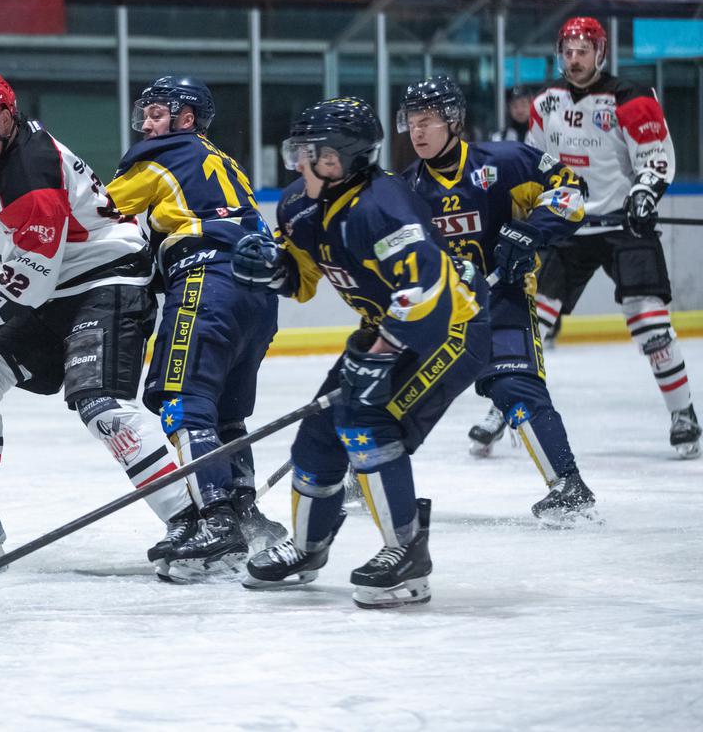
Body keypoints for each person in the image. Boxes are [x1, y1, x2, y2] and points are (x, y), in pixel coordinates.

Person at [0, 71, 190, 578]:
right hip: (60, 282)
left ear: (2, 117)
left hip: (108, 280)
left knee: (101, 404)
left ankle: (189, 520)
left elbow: (32, 273)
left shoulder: (31, 173)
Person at [232, 97, 490, 608]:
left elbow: (426, 291)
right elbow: (304, 279)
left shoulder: (383, 205)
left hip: (451, 329)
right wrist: (273, 270)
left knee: (365, 423)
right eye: (298, 151)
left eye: (311, 153)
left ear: (341, 160)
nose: (298, 163)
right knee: (317, 439)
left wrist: (382, 353)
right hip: (389, 324)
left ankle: (408, 555)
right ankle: (307, 548)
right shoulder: (299, 206)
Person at [105, 76, 285, 581]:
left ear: (186, 119)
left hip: (207, 285)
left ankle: (216, 521)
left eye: (157, 113)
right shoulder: (223, 161)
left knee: (184, 403)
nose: (146, 123)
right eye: (145, 113)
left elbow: (91, 213)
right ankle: (246, 514)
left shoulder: (158, 158)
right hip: (258, 295)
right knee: (225, 412)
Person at [399, 76, 597, 523]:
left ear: (453, 121)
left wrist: (533, 229)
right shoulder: (405, 188)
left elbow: (571, 192)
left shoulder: (506, 162)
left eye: (426, 121)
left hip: (502, 299)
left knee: (513, 386)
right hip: (440, 312)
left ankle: (567, 484)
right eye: (411, 122)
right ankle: (363, 470)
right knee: (393, 392)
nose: (417, 132)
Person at [527, 17, 700, 459]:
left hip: (625, 228)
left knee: (650, 325)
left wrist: (643, 194)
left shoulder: (631, 97)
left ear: (600, 53)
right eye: (567, 50)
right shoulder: (546, 103)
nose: (574, 57)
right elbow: (534, 164)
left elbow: (655, 155)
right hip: (570, 228)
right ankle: (509, 408)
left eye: (583, 49)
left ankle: (683, 413)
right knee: (532, 322)